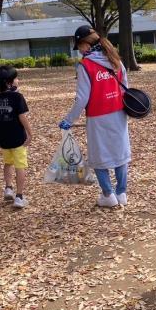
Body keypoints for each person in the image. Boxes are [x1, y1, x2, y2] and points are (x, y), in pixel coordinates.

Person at [60, 25, 131, 207]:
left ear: (86, 44)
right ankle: (122, 193)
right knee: (120, 152)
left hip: (98, 115)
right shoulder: (115, 59)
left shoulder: (86, 65)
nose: (80, 51)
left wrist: (69, 120)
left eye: (80, 46)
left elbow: (82, 97)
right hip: (119, 112)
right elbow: (125, 87)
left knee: (99, 156)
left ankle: (108, 195)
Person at [0, 65, 32, 209]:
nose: (18, 80)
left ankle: (8, 188)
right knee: (20, 165)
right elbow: (22, 117)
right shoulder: (17, 97)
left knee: (8, 162)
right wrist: (30, 133)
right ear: (9, 82)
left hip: (2, 138)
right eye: (16, 78)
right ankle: (19, 197)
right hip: (17, 138)